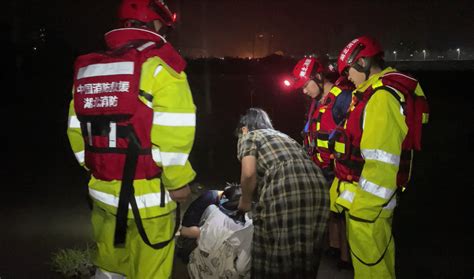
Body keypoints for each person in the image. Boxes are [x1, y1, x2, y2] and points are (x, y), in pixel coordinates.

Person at [66, 0, 196, 278]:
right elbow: (174, 132)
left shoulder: (91, 69)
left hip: (101, 196)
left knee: (109, 269)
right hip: (150, 204)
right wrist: (177, 182)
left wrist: (99, 169)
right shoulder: (163, 68)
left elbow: (76, 132)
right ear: (158, 24)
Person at [331, 36, 429, 278]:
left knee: (372, 272)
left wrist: (363, 211)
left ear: (363, 63)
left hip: (368, 211)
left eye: (349, 70)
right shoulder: (369, 94)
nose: (347, 77)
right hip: (363, 206)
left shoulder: (381, 98)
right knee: (373, 269)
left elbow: (382, 164)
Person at [236, 108, 330, 278]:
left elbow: (248, 173)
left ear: (244, 128)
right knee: (306, 250)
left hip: (285, 186)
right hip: (318, 186)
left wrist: (245, 201)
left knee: (277, 252)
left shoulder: (249, 136)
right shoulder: (283, 136)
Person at [288, 56, 353, 269]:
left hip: (339, 168)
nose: (303, 91)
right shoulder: (318, 100)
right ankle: (334, 247)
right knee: (330, 210)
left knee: (342, 214)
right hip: (321, 166)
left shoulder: (342, 99)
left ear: (318, 77)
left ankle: (346, 257)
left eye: (305, 85)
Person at [187, 186, 253, 279]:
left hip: (195, 266)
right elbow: (242, 268)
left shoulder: (212, 209)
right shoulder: (248, 228)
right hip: (217, 274)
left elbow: (200, 240)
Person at [176, 183, 241, 263]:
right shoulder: (209, 199)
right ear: (223, 198)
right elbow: (190, 218)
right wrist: (191, 232)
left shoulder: (233, 201)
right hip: (195, 227)